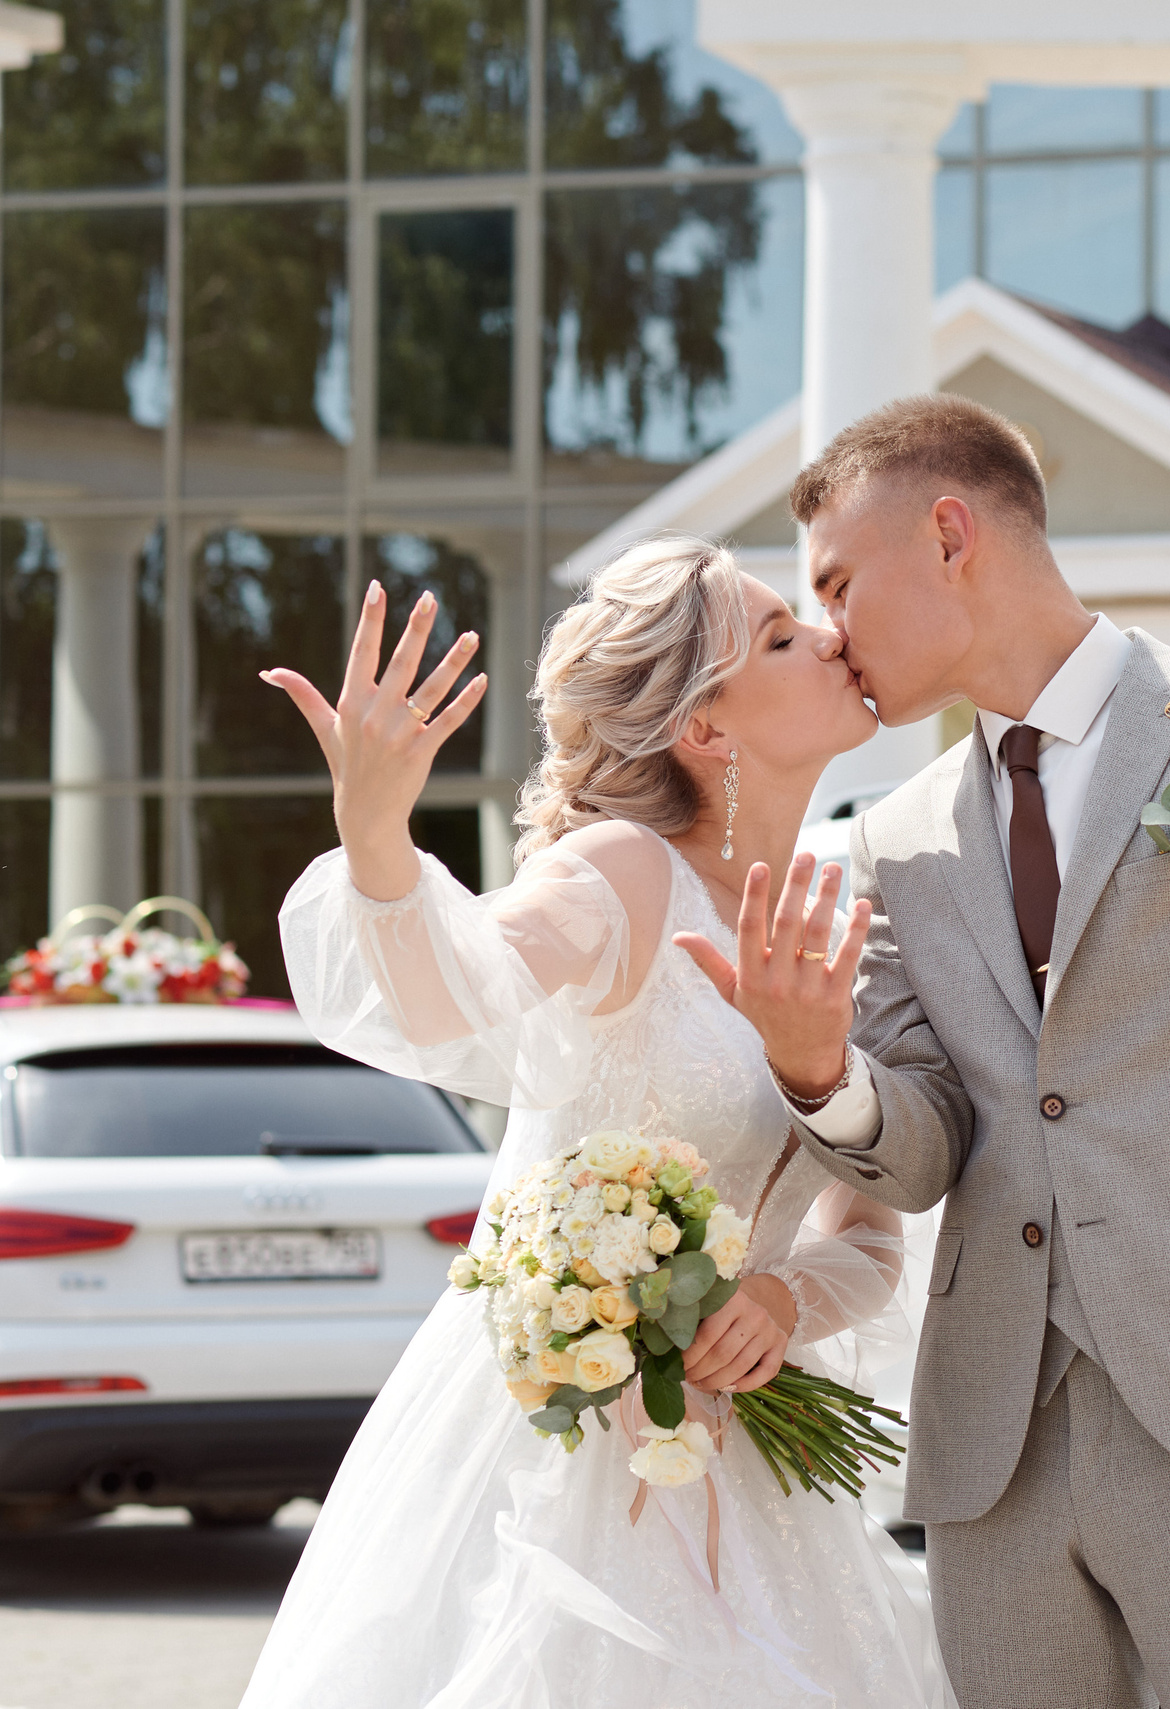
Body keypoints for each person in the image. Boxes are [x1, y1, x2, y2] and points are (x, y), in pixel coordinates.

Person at [678, 394, 1170, 1707]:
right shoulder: (900, 835)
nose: (826, 630)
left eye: (836, 582)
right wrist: (820, 1072)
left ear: (947, 532)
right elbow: (926, 1152)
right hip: (1000, 1459)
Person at [238, 539, 952, 1708]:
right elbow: (447, 994)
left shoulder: (845, 921)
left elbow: (870, 1236)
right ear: (707, 731)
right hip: (555, 1457)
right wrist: (376, 836)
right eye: (780, 634)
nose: (830, 635)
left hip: (757, 1463)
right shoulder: (624, 872)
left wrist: (781, 1296)